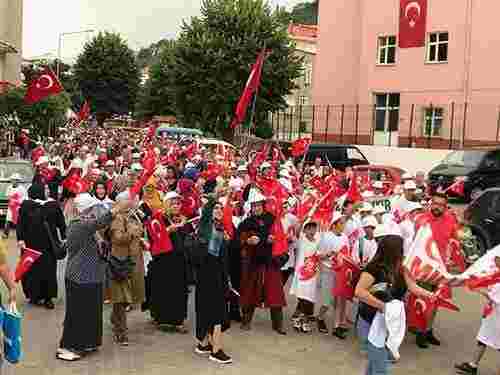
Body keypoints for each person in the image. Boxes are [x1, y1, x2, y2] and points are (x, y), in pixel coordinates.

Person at [57, 194, 131, 361]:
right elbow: (101, 222)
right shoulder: (78, 226)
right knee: (78, 313)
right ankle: (72, 345)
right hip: (79, 277)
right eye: (91, 209)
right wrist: (118, 208)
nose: (94, 212)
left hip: (93, 276)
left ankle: (89, 342)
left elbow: (101, 237)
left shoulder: (89, 227)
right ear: (84, 210)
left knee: (91, 312)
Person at [355, 235, 434, 375]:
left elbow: (414, 287)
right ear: (393, 251)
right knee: (380, 368)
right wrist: (383, 307)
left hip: (387, 323)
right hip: (369, 322)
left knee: (374, 365)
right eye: (401, 249)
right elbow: (359, 291)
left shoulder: (402, 268)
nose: (404, 252)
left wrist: (432, 296)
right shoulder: (373, 269)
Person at [236, 191, 287, 335]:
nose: (257, 208)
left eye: (259, 205)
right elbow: (238, 239)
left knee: (275, 292)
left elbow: (279, 236)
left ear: (263, 206)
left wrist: (273, 239)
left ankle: (278, 324)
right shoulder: (246, 222)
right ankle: (246, 320)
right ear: (251, 207)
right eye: (254, 206)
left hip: (271, 260)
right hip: (253, 261)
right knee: (250, 291)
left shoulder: (272, 219)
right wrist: (247, 240)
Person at [414, 191, 459, 349]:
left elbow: (454, 241)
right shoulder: (422, 220)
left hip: (442, 269)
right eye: (435, 203)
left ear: (445, 207)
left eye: (441, 205)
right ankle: (420, 332)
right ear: (430, 203)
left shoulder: (451, 220)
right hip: (425, 268)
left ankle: (428, 330)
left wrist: (453, 258)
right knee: (424, 301)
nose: (438, 207)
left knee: (436, 301)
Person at [194, 198, 233, 364]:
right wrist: (215, 195)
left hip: (216, 275)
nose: (218, 210)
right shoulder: (205, 226)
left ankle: (203, 344)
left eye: (219, 208)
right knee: (217, 312)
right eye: (214, 208)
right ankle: (216, 350)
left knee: (207, 309)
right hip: (208, 276)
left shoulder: (220, 228)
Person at [16, 183, 66, 309]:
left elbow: (61, 221)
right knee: (31, 271)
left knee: (48, 271)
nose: (48, 191)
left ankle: (48, 298)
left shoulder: (52, 205)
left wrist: (64, 236)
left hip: (48, 246)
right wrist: (20, 239)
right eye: (45, 189)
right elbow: (20, 223)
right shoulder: (26, 205)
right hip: (30, 245)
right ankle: (34, 296)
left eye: (48, 189)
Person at [148, 191, 191, 333]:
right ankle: (161, 318)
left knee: (178, 290)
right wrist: (168, 230)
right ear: (167, 204)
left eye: (178, 203)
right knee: (163, 289)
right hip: (163, 260)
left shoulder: (182, 219)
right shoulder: (159, 218)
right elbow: (153, 236)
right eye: (173, 203)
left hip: (179, 260)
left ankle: (177, 320)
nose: (176, 206)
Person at [109, 194, 146, 346]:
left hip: (133, 260)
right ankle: (120, 331)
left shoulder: (133, 216)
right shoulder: (117, 218)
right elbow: (117, 238)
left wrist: (141, 239)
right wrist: (133, 233)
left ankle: (115, 319)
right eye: (130, 201)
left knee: (128, 297)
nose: (133, 203)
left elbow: (140, 232)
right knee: (121, 298)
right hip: (121, 262)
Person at [316, 211, 349, 336]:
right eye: (341, 223)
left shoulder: (345, 237)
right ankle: (320, 317)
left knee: (338, 300)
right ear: (334, 225)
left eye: (343, 223)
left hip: (340, 272)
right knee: (327, 301)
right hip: (328, 271)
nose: (343, 225)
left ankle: (336, 327)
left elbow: (347, 254)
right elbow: (318, 255)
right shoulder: (326, 236)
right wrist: (328, 254)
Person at [289, 221, 320, 333]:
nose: (312, 231)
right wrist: (304, 218)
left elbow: (318, 255)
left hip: (312, 274)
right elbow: (297, 230)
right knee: (302, 298)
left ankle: (301, 319)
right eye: (309, 228)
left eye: (314, 228)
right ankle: (300, 319)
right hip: (301, 274)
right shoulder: (301, 240)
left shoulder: (317, 241)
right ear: (305, 230)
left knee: (309, 298)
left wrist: (328, 254)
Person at [3, 173, 27, 239]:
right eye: (13, 180)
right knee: (8, 220)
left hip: (18, 207)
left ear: (18, 181)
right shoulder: (9, 188)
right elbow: (7, 196)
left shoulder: (22, 188)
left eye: (15, 180)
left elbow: (24, 198)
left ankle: (20, 234)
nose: (14, 181)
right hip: (11, 207)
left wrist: (17, 201)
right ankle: (5, 233)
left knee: (18, 222)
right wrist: (11, 200)